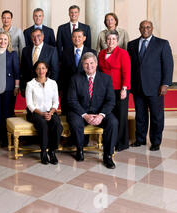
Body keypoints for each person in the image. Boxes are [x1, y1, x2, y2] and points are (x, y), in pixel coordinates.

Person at [128, 20, 173, 151]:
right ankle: (140, 139)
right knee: (140, 115)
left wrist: (165, 83)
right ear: (139, 29)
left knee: (156, 116)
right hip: (137, 87)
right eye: (142, 27)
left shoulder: (162, 43)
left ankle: (155, 141)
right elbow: (130, 67)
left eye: (148, 27)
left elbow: (168, 65)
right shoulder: (131, 45)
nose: (145, 29)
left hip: (156, 87)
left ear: (152, 28)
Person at [67, 52, 117, 169]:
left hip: (100, 112)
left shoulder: (106, 79)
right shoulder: (75, 79)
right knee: (75, 121)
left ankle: (108, 155)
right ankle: (80, 150)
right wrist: (85, 115)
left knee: (113, 122)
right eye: (86, 64)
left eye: (91, 63)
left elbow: (111, 101)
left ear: (96, 63)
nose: (89, 66)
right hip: (81, 112)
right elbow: (72, 100)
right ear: (82, 65)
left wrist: (101, 115)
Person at [98, 30, 131, 151]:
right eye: (108, 39)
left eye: (113, 39)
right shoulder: (101, 53)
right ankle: (109, 140)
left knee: (121, 116)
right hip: (105, 90)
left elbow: (127, 72)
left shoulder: (123, 53)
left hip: (119, 89)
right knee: (108, 115)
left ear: (117, 41)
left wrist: (124, 88)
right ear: (105, 41)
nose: (111, 41)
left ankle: (121, 143)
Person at [25, 61, 63, 165]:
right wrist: (42, 114)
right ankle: (43, 152)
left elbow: (56, 102)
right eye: (38, 68)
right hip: (35, 113)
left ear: (47, 70)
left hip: (50, 112)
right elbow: (29, 104)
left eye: (43, 68)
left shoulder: (53, 83)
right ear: (35, 70)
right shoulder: (30, 84)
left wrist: (50, 112)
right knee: (43, 125)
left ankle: (52, 151)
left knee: (58, 126)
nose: (41, 71)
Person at [58, 28, 96, 115]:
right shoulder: (65, 52)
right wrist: (60, 89)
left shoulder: (92, 52)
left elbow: (95, 73)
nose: (77, 39)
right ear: (71, 38)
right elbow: (62, 72)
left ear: (84, 38)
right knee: (68, 115)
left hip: (85, 89)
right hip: (68, 89)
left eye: (79, 36)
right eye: (74, 37)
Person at [20, 28, 59, 96]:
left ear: (43, 36)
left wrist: (51, 87)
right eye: (33, 36)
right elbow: (23, 70)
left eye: (38, 36)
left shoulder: (52, 50)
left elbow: (55, 71)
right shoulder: (25, 50)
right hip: (30, 87)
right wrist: (23, 86)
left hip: (46, 87)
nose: (36, 38)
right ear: (31, 38)